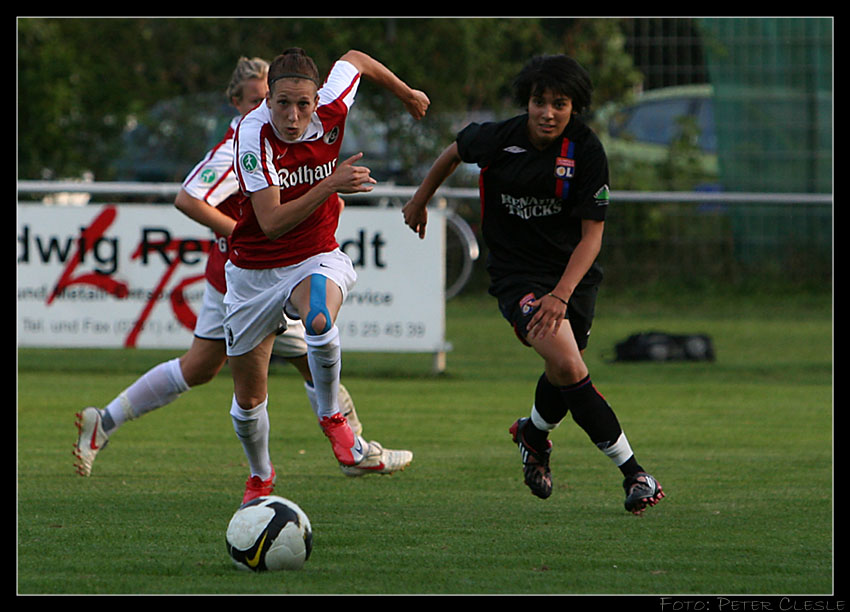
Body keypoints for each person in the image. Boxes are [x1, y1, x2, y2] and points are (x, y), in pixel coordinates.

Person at [72, 56, 373, 481]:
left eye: (283, 99)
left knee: (206, 366)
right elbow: (189, 198)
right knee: (305, 351)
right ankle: (353, 449)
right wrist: (242, 234)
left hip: (274, 263)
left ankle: (105, 421)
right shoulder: (240, 144)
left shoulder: (291, 132)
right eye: (260, 99)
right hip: (249, 270)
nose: (283, 113)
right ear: (237, 103)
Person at [402, 54, 664, 516]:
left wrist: (562, 294)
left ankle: (533, 435)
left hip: (572, 278)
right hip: (516, 276)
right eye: (539, 102)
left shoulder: (587, 152)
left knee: (564, 369)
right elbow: (454, 152)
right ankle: (634, 473)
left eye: (559, 104)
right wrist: (420, 201)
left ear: (574, 108)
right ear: (527, 102)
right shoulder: (500, 138)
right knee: (566, 361)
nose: (547, 113)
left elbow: (592, 237)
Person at [225, 47, 429, 503]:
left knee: (319, 319)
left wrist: (407, 94)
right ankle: (260, 478)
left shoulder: (335, 102)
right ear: (267, 100)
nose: (293, 116)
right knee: (247, 401)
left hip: (313, 255)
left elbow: (356, 58)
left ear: (319, 99)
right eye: (282, 103)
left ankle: (333, 420)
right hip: (254, 270)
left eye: (303, 104)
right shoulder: (252, 135)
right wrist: (331, 184)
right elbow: (272, 223)